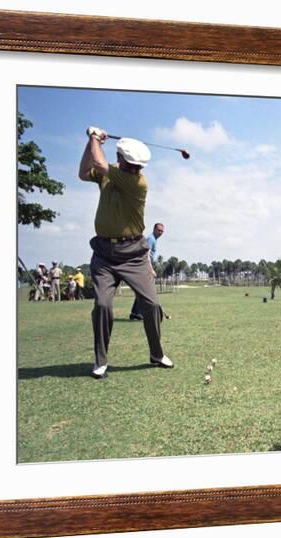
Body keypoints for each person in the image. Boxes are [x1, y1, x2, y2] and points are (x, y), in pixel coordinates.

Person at [78, 126, 174, 379]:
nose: (135, 170)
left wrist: (94, 138)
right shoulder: (110, 172)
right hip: (104, 255)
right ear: (120, 159)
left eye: (138, 166)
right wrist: (91, 143)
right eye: (131, 164)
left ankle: (157, 354)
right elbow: (83, 172)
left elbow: (98, 162)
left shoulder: (137, 182)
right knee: (102, 305)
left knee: (152, 304)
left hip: (133, 254)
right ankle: (101, 360)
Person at [130, 222, 164, 320]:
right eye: (159, 230)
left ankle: (136, 313)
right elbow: (146, 255)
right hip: (145, 266)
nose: (160, 233)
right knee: (144, 290)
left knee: (143, 291)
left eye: (162, 231)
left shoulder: (154, 239)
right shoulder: (151, 239)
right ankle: (136, 313)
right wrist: (150, 269)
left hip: (145, 266)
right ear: (154, 229)